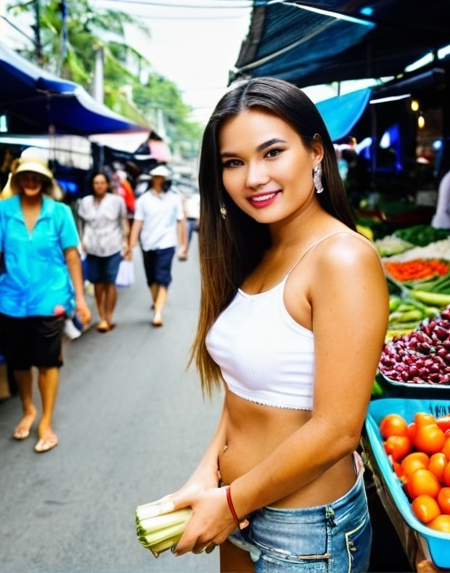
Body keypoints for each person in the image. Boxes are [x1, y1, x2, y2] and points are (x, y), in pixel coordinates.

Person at [161, 77, 388, 571]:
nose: (253, 178)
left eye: (271, 153)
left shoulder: (343, 258)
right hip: (239, 507)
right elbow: (243, 394)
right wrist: (208, 475)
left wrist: (231, 501)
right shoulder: (261, 253)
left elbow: (337, 431)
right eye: (233, 162)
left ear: (314, 152)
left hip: (304, 529)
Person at [0, 148, 90, 454]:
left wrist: (81, 299)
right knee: (18, 361)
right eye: (25, 176)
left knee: (47, 361)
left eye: (37, 177)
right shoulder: (0, 211)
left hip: (50, 297)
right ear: (17, 179)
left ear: (44, 180)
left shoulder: (60, 212)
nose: (31, 181)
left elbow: (72, 255)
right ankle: (27, 408)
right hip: (10, 299)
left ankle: (46, 421)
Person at [128, 164, 187, 328]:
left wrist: (183, 245)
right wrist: (131, 245)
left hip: (167, 243)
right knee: (151, 278)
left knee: (163, 277)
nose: (160, 180)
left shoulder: (174, 199)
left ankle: (158, 312)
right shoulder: (143, 200)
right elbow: (137, 222)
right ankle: (157, 303)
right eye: (157, 177)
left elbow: (180, 222)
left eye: (162, 178)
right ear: (153, 179)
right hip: (147, 243)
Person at [77, 167, 130, 332]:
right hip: (92, 246)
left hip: (113, 245)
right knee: (97, 284)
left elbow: (124, 223)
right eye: (96, 183)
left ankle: (109, 316)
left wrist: (126, 243)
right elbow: (80, 225)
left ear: (107, 184)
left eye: (102, 183)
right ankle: (101, 316)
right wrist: (81, 242)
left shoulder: (117, 201)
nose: (99, 186)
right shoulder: (84, 202)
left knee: (110, 282)